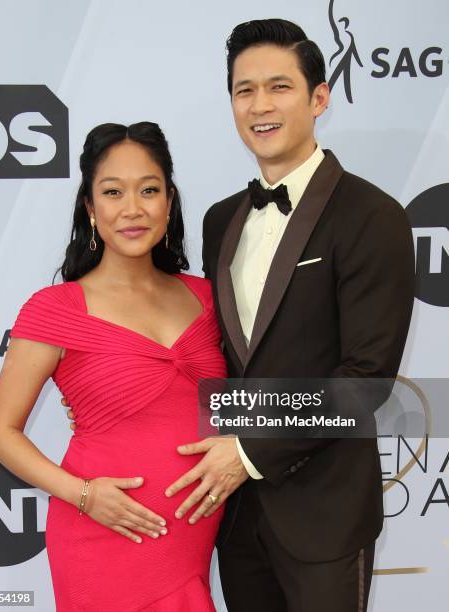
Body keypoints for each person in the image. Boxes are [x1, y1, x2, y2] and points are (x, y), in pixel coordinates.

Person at [164, 19, 414, 612]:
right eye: (244, 90)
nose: (260, 106)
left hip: (323, 513)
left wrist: (248, 453)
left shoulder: (371, 214)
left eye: (279, 87)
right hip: (235, 518)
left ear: (319, 97)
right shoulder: (220, 219)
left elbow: (366, 380)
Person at [0, 122, 227, 611]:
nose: (132, 209)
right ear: (91, 209)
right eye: (113, 192)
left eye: (149, 190)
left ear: (169, 201)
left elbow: (234, 407)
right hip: (100, 535)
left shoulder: (208, 298)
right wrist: (83, 494)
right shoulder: (56, 308)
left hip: (190, 542)